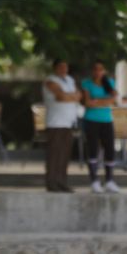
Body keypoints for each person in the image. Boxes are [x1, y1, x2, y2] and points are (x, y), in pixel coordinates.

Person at [43, 58, 82, 192]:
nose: (64, 69)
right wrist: (71, 96)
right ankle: (52, 182)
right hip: (55, 123)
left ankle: (62, 182)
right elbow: (61, 97)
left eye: (65, 66)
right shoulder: (50, 80)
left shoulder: (70, 80)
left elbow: (79, 95)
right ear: (55, 68)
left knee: (65, 154)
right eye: (61, 66)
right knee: (54, 153)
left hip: (68, 122)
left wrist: (69, 96)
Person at [82, 60, 120, 193]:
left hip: (107, 120)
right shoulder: (86, 83)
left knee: (110, 149)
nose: (98, 72)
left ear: (104, 71)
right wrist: (104, 102)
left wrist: (96, 101)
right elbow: (87, 102)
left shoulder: (110, 82)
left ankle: (109, 180)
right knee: (93, 149)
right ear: (92, 71)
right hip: (91, 120)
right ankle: (94, 181)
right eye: (96, 69)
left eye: (101, 69)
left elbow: (114, 99)